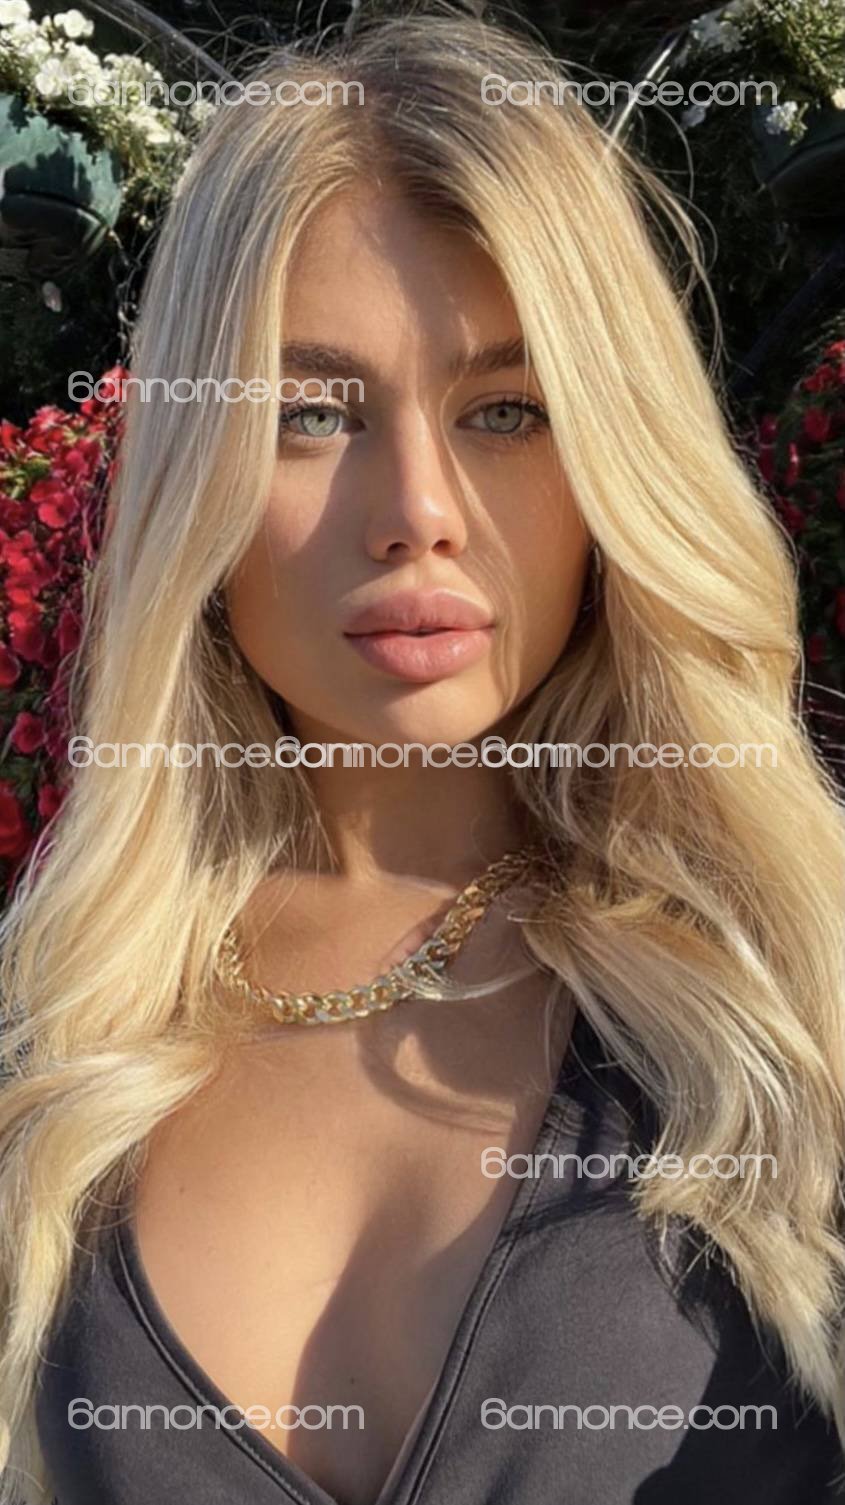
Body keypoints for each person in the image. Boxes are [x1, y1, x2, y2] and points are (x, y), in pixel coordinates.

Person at [0, 6, 843, 1503]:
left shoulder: (798, 977)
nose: (418, 512)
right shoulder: (56, 1037)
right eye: (312, 413)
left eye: (507, 410)